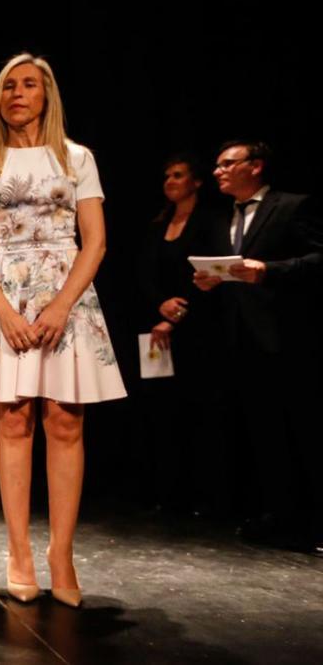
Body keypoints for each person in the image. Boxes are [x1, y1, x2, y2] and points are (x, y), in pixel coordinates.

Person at [0, 54, 126, 607]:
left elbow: (94, 240)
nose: (18, 94)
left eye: (29, 85)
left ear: (47, 95)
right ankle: (19, 551)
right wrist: (4, 309)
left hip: (65, 296)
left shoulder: (77, 158)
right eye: (9, 86)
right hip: (4, 296)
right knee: (13, 418)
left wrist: (59, 306)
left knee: (65, 422)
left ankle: (62, 553)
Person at [192, 140, 323, 556]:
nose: (218, 171)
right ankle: (280, 517)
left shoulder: (292, 206)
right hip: (241, 342)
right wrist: (211, 280)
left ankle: (315, 522)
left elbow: (319, 259)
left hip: (289, 340)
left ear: (256, 166)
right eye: (217, 165)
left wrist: (267, 270)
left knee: (304, 432)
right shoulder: (220, 218)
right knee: (265, 435)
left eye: (227, 163)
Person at [135, 155, 224, 515]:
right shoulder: (158, 225)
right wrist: (160, 307)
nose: (170, 181)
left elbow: (211, 274)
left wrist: (177, 315)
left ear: (197, 182)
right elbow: (143, 275)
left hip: (196, 330)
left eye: (178, 175)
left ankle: (200, 495)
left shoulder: (210, 224)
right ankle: (165, 492)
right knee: (162, 412)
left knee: (197, 411)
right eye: (166, 175)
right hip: (157, 331)